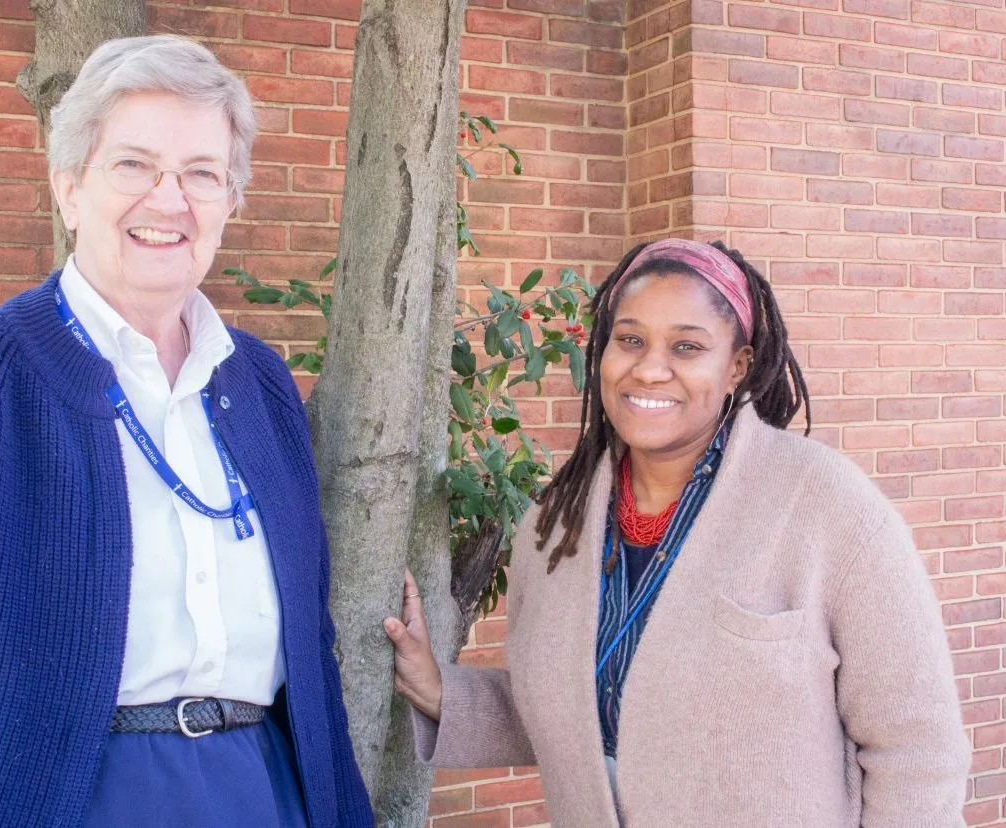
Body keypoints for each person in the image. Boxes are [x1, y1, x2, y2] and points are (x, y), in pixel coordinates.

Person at [0, 35, 373, 828]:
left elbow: (310, 660)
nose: (169, 200)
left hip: (256, 793)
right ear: (69, 187)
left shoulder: (262, 387)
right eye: (133, 164)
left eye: (202, 173)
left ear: (231, 201)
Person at [385, 238, 970, 826]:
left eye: (687, 346)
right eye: (630, 340)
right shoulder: (554, 526)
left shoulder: (825, 508)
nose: (649, 368)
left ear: (737, 365)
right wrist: (440, 692)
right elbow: (578, 709)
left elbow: (917, 747)